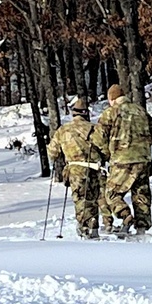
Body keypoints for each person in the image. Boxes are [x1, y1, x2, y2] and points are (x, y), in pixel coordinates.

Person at [92, 84, 152, 235]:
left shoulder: (111, 113)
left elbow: (98, 137)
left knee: (112, 193)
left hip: (122, 160)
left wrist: (108, 153)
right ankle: (141, 228)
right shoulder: (141, 112)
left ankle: (125, 214)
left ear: (112, 99)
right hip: (143, 160)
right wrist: (141, 148)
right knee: (141, 194)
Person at [45, 99, 105, 239]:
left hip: (75, 169)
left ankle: (86, 225)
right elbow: (105, 150)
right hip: (94, 168)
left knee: (80, 198)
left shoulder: (63, 130)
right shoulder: (95, 129)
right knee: (93, 197)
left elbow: (53, 152)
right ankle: (93, 221)